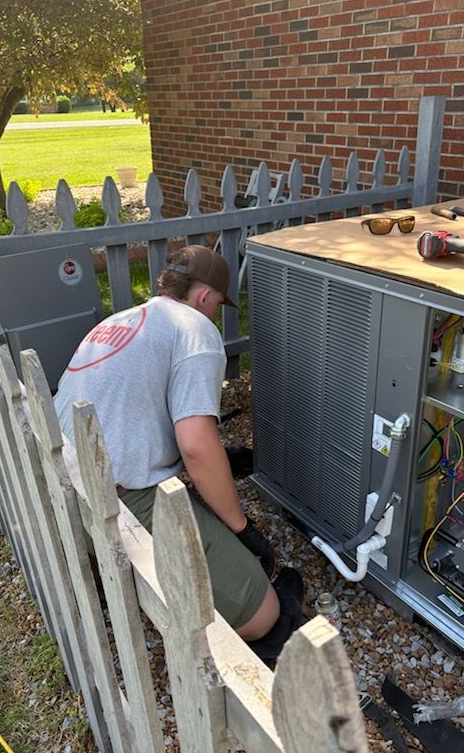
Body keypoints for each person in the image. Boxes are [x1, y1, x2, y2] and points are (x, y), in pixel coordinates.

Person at [55, 245, 304, 659]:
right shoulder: (195, 329)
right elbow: (194, 444)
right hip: (115, 494)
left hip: (65, 476)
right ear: (205, 297)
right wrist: (242, 528)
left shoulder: (126, 318)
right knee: (264, 614)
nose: (213, 315)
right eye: (216, 306)